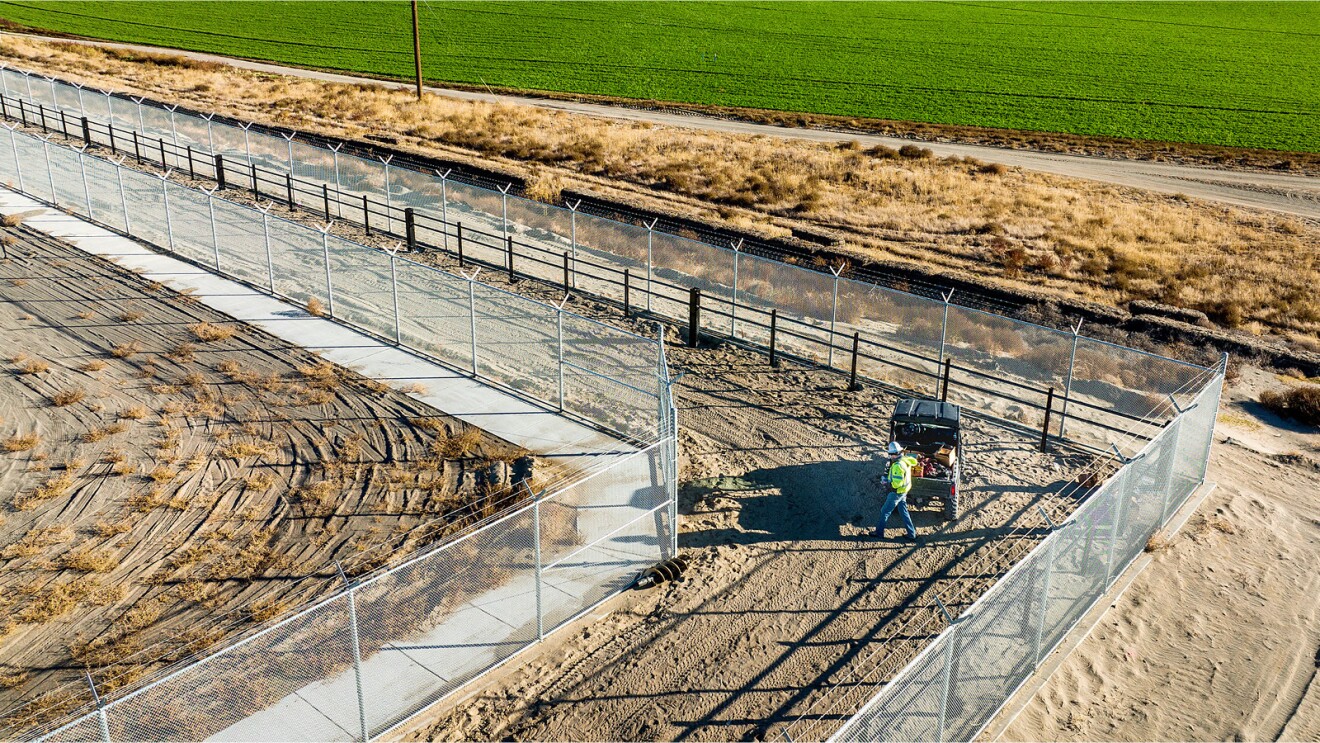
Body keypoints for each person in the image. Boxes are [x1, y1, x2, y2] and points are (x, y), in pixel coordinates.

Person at [876, 441, 922, 543]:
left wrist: (886, 482)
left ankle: (879, 533)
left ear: (894, 454)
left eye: (890, 454)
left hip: (896, 492)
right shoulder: (906, 460)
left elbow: (896, 483)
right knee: (904, 512)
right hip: (904, 492)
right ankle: (911, 534)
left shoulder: (897, 465)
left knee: (885, 511)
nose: (890, 456)